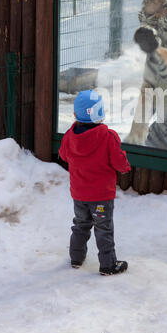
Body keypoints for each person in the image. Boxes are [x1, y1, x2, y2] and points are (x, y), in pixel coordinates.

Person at [59, 89, 131, 276]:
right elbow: (119, 162)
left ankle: (76, 258)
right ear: (100, 113)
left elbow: (63, 155)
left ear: (75, 114)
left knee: (80, 224)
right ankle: (108, 265)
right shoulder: (108, 137)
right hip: (101, 196)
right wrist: (125, 166)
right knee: (103, 228)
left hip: (79, 194)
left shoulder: (70, 136)